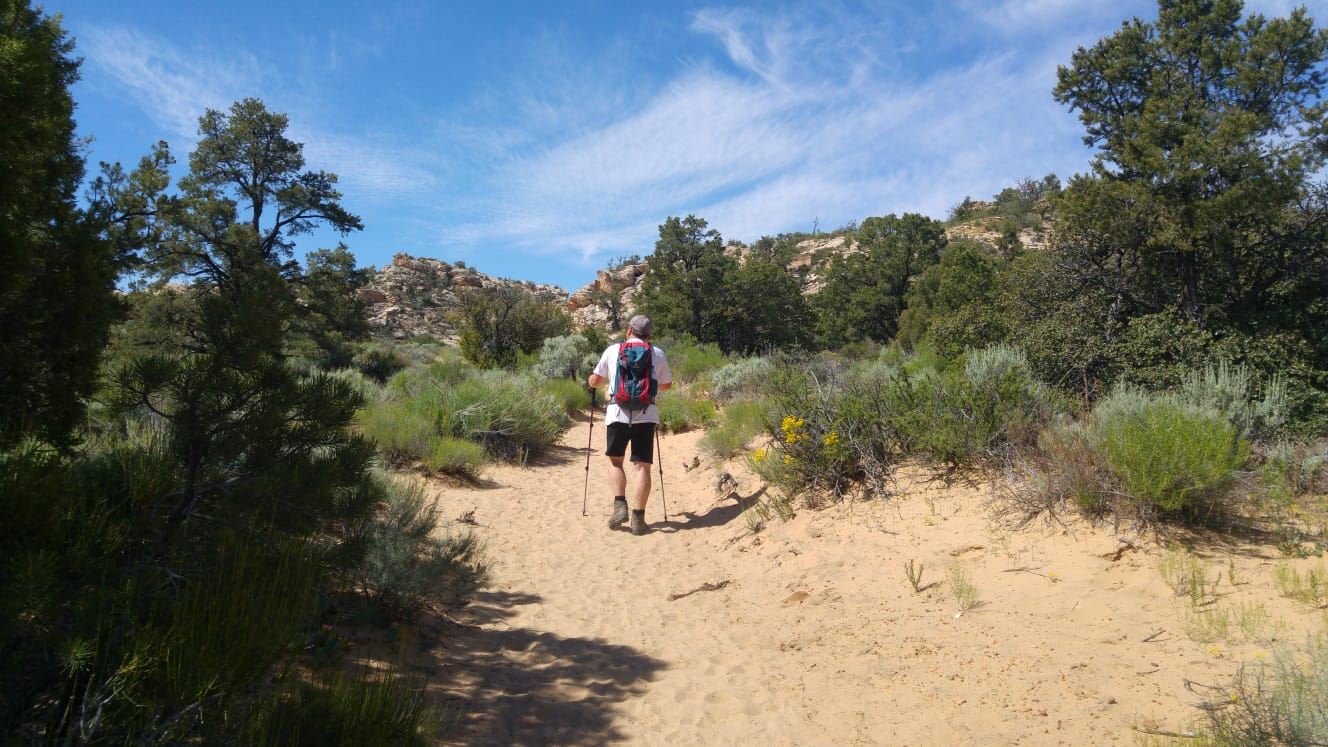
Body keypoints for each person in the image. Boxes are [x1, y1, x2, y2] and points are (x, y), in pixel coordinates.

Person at [587, 315, 673, 535]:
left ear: (629, 331)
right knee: (642, 466)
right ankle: (638, 519)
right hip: (646, 414)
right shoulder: (657, 353)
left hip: (617, 413)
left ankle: (619, 506)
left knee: (615, 462)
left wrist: (593, 380)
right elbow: (666, 386)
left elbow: (595, 381)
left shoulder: (613, 350)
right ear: (649, 335)